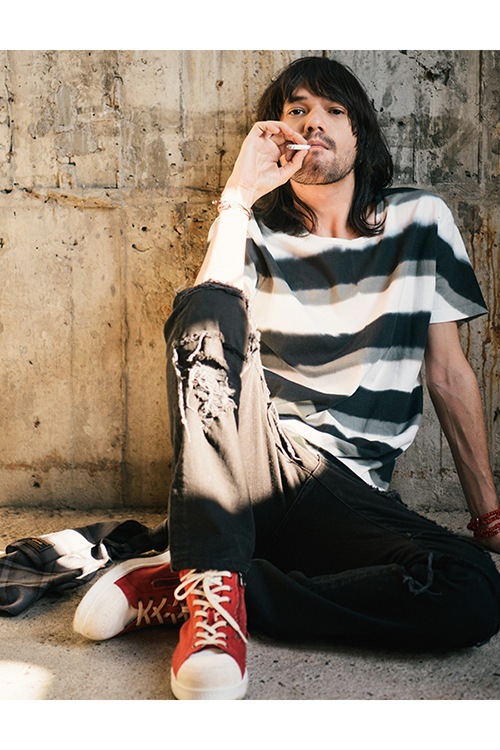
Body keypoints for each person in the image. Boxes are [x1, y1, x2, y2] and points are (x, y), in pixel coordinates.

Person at [73, 55, 500, 700]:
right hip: (256, 459)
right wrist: (239, 196)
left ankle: (208, 581)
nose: (314, 122)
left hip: (348, 490)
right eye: (297, 110)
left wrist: (488, 518)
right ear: (277, 134)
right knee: (207, 304)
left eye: (333, 110)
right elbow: (204, 333)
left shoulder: (421, 219)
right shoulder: (255, 229)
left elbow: (448, 374)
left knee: (469, 589)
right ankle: (213, 611)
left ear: (360, 131)